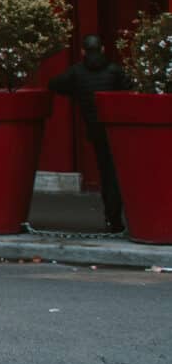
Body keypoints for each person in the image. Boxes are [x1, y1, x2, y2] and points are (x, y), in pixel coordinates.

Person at [50, 34, 132, 233]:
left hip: (95, 129)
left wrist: (76, 93)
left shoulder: (76, 73)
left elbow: (54, 84)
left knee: (106, 173)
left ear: (83, 52)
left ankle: (112, 218)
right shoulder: (114, 71)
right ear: (102, 49)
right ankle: (117, 217)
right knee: (117, 173)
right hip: (116, 129)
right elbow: (130, 89)